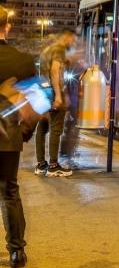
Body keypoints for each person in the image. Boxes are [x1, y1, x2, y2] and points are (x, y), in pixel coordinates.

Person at [0, 5, 40, 268]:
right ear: (7, 27)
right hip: (8, 135)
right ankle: (17, 252)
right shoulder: (22, 60)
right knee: (10, 190)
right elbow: (39, 102)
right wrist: (24, 132)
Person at [34, 28, 76, 177]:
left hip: (43, 93)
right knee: (56, 130)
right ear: (66, 38)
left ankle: (40, 164)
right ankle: (53, 166)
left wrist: (65, 64)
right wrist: (58, 95)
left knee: (42, 128)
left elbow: (46, 70)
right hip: (54, 93)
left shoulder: (47, 50)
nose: (72, 43)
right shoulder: (60, 49)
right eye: (72, 40)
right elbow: (54, 71)